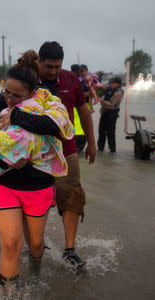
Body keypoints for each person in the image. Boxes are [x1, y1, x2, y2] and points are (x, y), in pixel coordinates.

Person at [0, 50, 73, 288]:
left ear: (32, 91)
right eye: (7, 91)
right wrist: (6, 160)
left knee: (36, 244)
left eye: (16, 95)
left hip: (38, 183)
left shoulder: (47, 101)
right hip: (4, 181)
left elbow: (52, 127)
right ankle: (9, 292)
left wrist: (16, 115)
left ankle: (36, 279)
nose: (8, 98)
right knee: (10, 243)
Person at [37, 41, 96, 271]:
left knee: (72, 195)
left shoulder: (71, 79)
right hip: (33, 155)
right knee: (34, 200)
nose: (53, 71)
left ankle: (70, 249)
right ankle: (35, 245)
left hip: (67, 150)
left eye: (57, 67)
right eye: (48, 66)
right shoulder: (28, 78)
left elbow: (84, 110)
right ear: (39, 62)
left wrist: (92, 142)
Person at [97, 77, 124, 152]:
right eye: (111, 82)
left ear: (117, 84)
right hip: (104, 112)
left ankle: (112, 150)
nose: (111, 84)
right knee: (101, 131)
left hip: (112, 113)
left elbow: (111, 104)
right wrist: (100, 88)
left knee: (110, 132)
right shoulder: (109, 88)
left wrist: (102, 101)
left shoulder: (119, 92)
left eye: (113, 83)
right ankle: (100, 149)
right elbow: (99, 93)